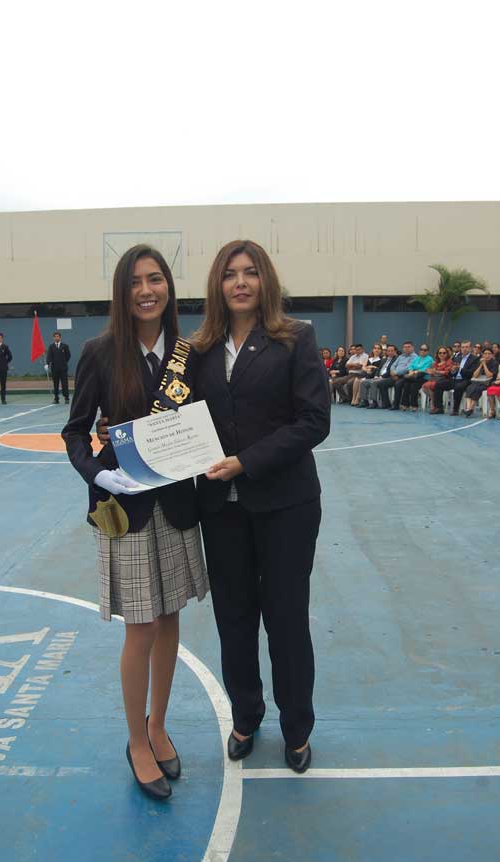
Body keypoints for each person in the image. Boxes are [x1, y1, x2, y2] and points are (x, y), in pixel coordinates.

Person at [62, 245, 208, 801]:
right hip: (126, 508)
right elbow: (76, 432)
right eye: (136, 282)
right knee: (140, 627)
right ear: (122, 293)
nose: (147, 290)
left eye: (157, 280)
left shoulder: (191, 354)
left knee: (169, 619)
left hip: (177, 504)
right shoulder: (101, 353)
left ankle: (159, 724)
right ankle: (135, 739)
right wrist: (98, 477)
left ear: (169, 287)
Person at [192, 239, 331, 774]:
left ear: (265, 280)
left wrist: (246, 462)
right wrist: (125, 435)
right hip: (220, 509)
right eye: (231, 274)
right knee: (233, 619)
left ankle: (297, 728)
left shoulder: (295, 338)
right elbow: (171, 417)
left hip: (286, 505)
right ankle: (246, 717)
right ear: (218, 284)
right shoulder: (198, 348)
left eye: (250, 273)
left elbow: (313, 421)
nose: (241, 282)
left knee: (287, 619)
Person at [430, 339, 479, 415]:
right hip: (455, 379)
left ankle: (455, 409)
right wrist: (453, 371)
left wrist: (460, 369)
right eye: (462, 347)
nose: (464, 349)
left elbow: (471, 373)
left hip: (466, 380)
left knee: (458, 387)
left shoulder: (474, 359)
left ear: (470, 348)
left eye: (466, 347)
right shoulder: (457, 358)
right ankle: (439, 408)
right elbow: (451, 373)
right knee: (438, 384)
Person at [462, 348, 498, 417]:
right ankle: (469, 408)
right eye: (485, 354)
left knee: (478, 389)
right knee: (470, 387)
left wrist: (484, 365)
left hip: (489, 382)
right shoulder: (479, 362)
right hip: (478, 381)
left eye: (489, 354)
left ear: (492, 355)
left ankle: (470, 408)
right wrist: (481, 365)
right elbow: (475, 375)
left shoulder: (494, 363)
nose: (487, 355)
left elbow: (489, 375)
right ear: (482, 355)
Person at [360, 344, 398, 408]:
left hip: (389, 377)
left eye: (392, 351)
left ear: (395, 351)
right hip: (379, 377)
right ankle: (364, 401)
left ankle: (374, 402)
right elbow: (378, 369)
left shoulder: (396, 359)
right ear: (386, 352)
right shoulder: (384, 359)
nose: (390, 352)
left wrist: (381, 377)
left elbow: (390, 371)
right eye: (388, 351)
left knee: (373, 383)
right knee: (363, 382)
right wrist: (376, 376)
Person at [398, 344, 434, 410]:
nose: (422, 351)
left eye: (425, 350)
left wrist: (414, 372)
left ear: (428, 351)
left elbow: (425, 369)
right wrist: (411, 371)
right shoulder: (417, 358)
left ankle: (414, 405)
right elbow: (411, 366)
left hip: (423, 377)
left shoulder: (429, 359)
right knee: (406, 385)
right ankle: (405, 404)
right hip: (414, 377)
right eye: (421, 349)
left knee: (413, 385)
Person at [382, 341, 415, 410]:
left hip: (405, 376)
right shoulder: (401, 356)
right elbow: (393, 365)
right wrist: (392, 372)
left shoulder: (414, 357)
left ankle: (396, 405)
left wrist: (396, 373)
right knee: (381, 384)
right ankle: (386, 403)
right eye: (405, 347)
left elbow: (408, 368)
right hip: (395, 375)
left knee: (398, 384)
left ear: (412, 348)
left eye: (409, 347)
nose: (407, 349)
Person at [46, 330, 71, 404]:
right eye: (55, 336)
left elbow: (68, 356)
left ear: (60, 337)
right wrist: (47, 364)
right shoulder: (51, 346)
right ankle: (56, 398)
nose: (56, 338)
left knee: (64, 383)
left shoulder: (65, 346)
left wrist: (63, 362)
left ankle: (66, 398)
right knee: (55, 384)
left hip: (63, 368)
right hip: (54, 368)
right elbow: (49, 356)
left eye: (58, 336)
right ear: (53, 338)